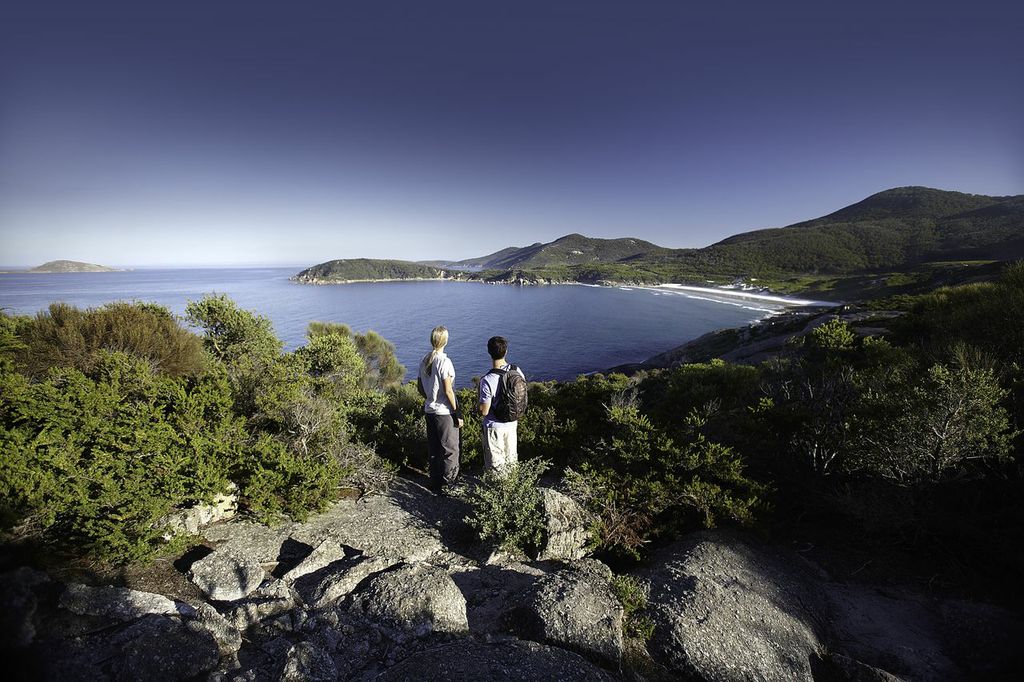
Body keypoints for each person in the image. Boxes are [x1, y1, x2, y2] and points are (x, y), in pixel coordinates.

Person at [417, 325, 462, 495]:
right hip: (444, 412)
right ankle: (449, 484)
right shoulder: (444, 362)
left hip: (429, 411)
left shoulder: (424, 360)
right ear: (446, 341)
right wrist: (457, 412)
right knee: (450, 450)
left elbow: (420, 388)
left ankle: (434, 482)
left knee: (434, 448)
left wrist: (431, 398)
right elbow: (448, 390)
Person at [477, 335, 525, 474]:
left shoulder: (487, 380)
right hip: (512, 423)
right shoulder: (517, 371)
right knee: (511, 461)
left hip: (494, 428)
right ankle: (513, 491)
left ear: (489, 352)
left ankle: (499, 494)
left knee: (496, 467)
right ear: (506, 351)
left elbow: (484, 411)